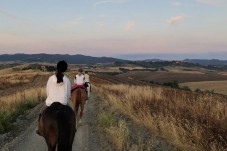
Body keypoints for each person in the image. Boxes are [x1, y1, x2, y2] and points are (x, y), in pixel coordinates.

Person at [36, 60, 71, 136]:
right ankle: (73, 128)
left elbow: (47, 91)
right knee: (72, 114)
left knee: (41, 113)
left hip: (50, 103)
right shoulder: (67, 80)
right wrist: (64, 100)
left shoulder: (51, 78)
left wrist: (51, 98)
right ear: (65, 69)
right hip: (63, 103)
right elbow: (68, 94)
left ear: (57, 67)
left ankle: (39, 129)